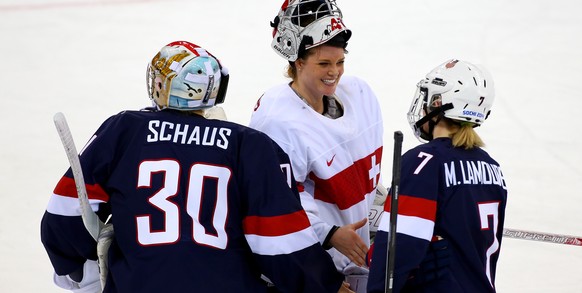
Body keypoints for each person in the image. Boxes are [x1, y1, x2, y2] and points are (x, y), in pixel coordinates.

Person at [40, 40, 351, 293]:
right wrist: (325, 285)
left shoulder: (124, 130)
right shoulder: (250, 145)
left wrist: (74, 267)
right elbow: (279, 240)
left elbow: (65, 211)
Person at [249, 1, 384, 292]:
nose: (334, 72)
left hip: (354, 266)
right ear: (297, 62)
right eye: (323, 63)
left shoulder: (360, 94)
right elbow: (275, 207)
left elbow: (365, 174)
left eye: (340, 62)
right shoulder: (276, 119)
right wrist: (330, 235)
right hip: (306, 273)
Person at [367, 59, 508, 292]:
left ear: (438, 103)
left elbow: (398, 251)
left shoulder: (425, 161)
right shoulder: (492, 168)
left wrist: (374, 251)